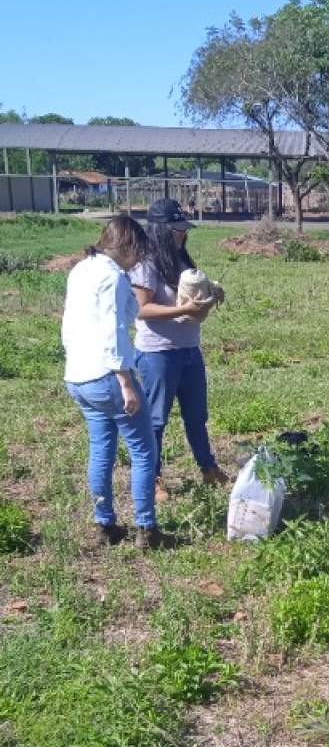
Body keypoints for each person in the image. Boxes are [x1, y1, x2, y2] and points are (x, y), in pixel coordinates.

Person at [62, 216, 164, 550]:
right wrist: (126, 382)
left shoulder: (81, 270)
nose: (138, 261)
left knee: (101, 450)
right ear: (129, 246)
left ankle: (105, 525)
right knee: (144, 451)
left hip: (78, 376)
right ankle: (146, 529)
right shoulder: (113, 277)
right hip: (108, 376)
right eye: (138, 252)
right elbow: (115, 331)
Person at [129, 198, 227, 502]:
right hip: (158, 353)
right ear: (160, 230)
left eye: (184, 229)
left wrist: (213, 294)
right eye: (176, 230)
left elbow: (190, 297)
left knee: (196, 414)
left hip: (188, 349)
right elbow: (141, 309)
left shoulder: (182, 260)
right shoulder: (146, 265)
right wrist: (181, 309)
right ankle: (153, 478)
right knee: (156, 419)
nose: (182, 235)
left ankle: (208, 467)